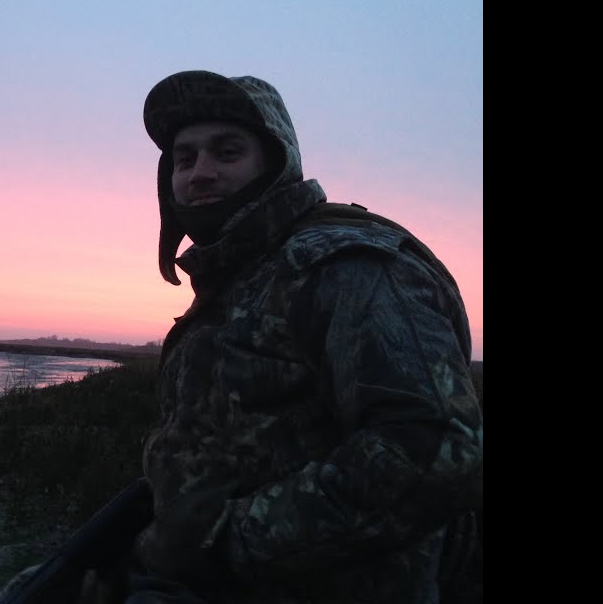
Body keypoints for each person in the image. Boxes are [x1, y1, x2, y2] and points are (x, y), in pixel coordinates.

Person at [80, 70, 484, 604]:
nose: (200, 173)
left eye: (227, 152)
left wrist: (225, 546)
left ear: (275, 164)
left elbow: (435, 449)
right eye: (185, 158)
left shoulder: (348, 268)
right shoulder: (233, 285)